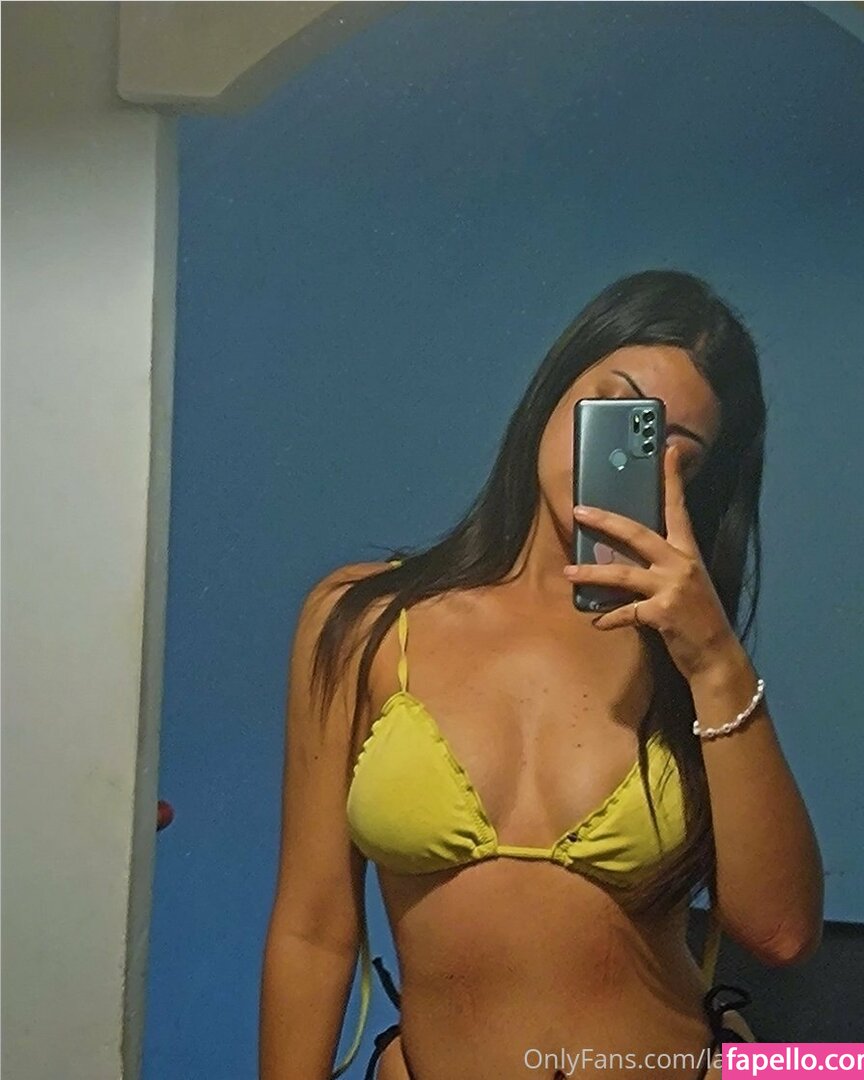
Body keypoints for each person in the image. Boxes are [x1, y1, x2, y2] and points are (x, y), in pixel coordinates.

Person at [259, 270, 824, 1080]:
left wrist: (712, 656)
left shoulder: (687, 656)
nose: (633, 458)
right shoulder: (366, 622)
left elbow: (782, 933)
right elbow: (312, 930)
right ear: (553, 395)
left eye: (674, 450)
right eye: (619, 411)